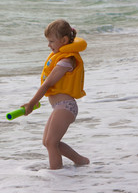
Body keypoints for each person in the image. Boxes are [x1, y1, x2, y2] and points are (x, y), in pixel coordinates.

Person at [22, 19, 90, 170]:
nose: (49, 45)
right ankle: (80, 161)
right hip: (60, 107)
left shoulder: (66, 61)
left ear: (64, 40)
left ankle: (55, 174)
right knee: (48, 142)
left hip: (66, 107)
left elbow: (47, 85)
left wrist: (31, 104)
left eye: (51, 41)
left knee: (52, 142)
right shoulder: (60, 57)